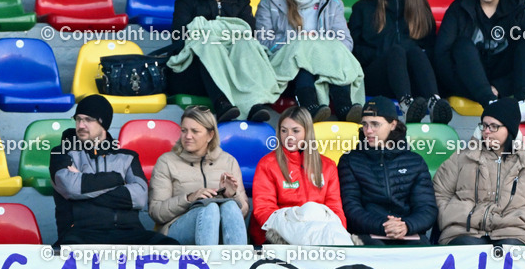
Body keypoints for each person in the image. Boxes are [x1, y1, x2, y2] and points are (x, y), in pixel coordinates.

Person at [50, 95, 177, 246]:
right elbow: (71, 187)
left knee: (169, 246)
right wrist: (117, 180)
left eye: (88, 120)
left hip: (127, 232)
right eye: (78, 119)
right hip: (81, 233)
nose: (81, 125)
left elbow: (139, 198)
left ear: (103, 123)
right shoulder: (61, 153)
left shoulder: (127, 157)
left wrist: (85, 194)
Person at [256, 0, 362, 123]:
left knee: (330, 51)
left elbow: (345, 42)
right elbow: (262, 41)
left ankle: (345, 107)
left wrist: (318, 44)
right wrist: (297, 42)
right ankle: (310, 107)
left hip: (326, 64)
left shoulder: (331, 1)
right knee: (302, 52)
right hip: (286, 68)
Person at [433, 97, 525, 245]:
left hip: (513, 232)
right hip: (463, 231)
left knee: (510, 248)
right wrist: (449, 216)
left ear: (509, 129)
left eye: (494, 126)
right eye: (484, 125)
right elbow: (439, 193)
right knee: (468, 247)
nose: (486, 131)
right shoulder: (461, 158)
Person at [168, 0, 273, 123]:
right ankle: (221, 102)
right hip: (194, 72)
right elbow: (180, 36)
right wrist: (221, 34)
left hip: (232, 69)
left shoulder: (241, 2)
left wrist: (210, 29)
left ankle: (254, 104)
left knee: (246, 46)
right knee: (207, 44)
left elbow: (249, 35)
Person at [348, 0, 451, 124]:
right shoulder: (363, 8)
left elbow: (431, 50)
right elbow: (354, 51)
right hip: (377, 78)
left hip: (412, 81)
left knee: (415, 52)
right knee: (397, 51)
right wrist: (384, 52)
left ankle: (434, 101)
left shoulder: (420, 11)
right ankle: (406, 104)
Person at [337, 97, 438, 245]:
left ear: (393, 125)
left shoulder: (414, 161)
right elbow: (351, 209)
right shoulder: (350, 160)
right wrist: (384, 226)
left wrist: (406, 226)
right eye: (364, 124)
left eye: (375, 124)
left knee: (420, 249)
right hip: (367, 232)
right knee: (375, 249)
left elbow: (426, 208)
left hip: (407, 232)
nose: (368, 130)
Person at [149, 105, 250, 245]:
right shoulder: (166, 161)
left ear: (210, 135)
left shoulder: (229, 161)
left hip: (221, 229)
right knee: (210, 208)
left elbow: (243, 213)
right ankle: (207, 259)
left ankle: (237, 259)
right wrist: (189, 198)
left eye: (195, 131)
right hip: (178, 229)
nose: (188, 136)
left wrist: (232, 195)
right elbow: (156, 212)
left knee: (231, 206)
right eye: (184, 130)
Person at [251, 105, 346, 244]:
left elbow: (335, 208)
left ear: (307, 132)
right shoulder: (267, 164)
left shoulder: (327, 166)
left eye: (295, 131)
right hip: (279, 232)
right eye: (284, 131)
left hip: (318, 228)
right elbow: (264, 209)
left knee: (316, 213)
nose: (289, 136)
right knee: (309, 211)